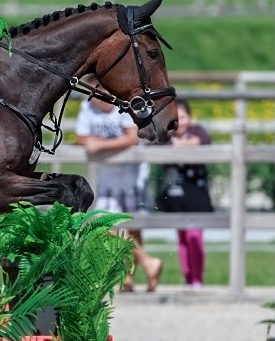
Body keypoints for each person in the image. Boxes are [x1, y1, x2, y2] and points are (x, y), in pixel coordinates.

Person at [75, 95, 163, 292]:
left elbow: (132, 137)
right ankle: (148, 263)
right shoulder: (87, 108)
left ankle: (129, 277)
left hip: (132, 176)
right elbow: (81, 137)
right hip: (107, 176)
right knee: (106, 224)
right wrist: (98, 143)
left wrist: (100, 145)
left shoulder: (124, 106)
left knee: (134, 228)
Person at [158, 99, 213, 288]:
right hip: (175, 193)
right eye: (176, 118)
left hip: (197, 192)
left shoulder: (198, 131)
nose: (180, 122)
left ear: (190, 117)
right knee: (182, 236)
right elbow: (154, 148)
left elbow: (203, 141)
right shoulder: (165, 136)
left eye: (183, 116)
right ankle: (188, 278)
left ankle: (197, 278)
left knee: (194, 235)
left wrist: (179, 146)